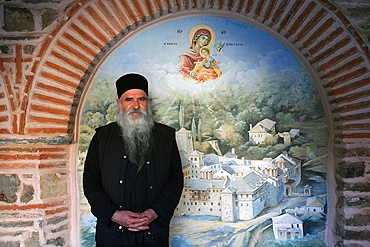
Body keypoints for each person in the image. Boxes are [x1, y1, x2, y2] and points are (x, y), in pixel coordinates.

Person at [83, 73, 184, 247]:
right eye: (129, 99)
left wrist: (154, 212)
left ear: (148, 103)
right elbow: (91, 182)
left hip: (153, 233)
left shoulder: (166, 137)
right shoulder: (102, 137)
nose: (136, 106)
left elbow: (174, 180)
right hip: (113, 234)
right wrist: (114, 215)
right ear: (119, 104)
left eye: (141, 99)